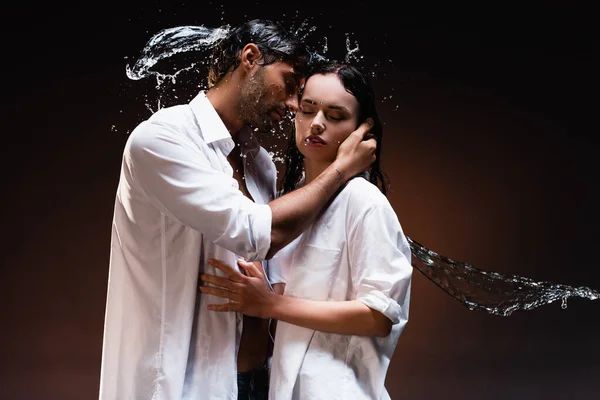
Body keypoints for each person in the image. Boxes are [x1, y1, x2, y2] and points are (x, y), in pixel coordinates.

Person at [98, 20, 377, 400]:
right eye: (291, 83)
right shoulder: (162, 139)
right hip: (181, 384)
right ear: (250, 57)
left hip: (257, 382)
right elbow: (257, 234)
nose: (295, 104)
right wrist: (342, 168)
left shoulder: (258, 162)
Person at [200, 61, 413, 400]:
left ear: (362, 130)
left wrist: (269, 305)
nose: (316, 124)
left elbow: (378, 316)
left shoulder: (363, 201)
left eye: (336, 115)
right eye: (308, 109)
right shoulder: (290, 203)